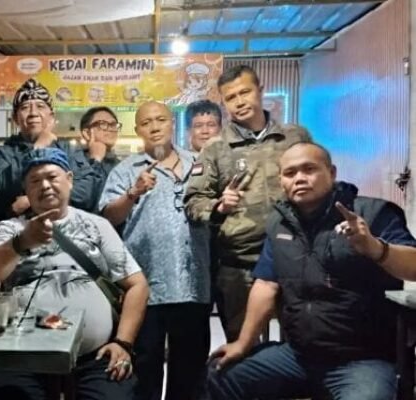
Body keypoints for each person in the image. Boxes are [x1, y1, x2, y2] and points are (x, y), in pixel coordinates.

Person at [207, 142, 416, 400]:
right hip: (298, 356)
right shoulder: (279, 223)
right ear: (281, 180)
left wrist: (375, 248)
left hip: (363, 361)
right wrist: (243, 343)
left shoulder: (372, 213)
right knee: (220, 374)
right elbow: (266, 285)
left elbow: (414, 267)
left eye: (309, 169)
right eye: (290, 173)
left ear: (332, 172)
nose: (299, 178)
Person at [0, 148, 149, 400]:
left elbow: (137, 285)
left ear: (69, 180)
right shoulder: (11, 228)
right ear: (25, 190)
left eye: (52, 177)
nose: (45, 185)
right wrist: (22, 241)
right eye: (35, 181)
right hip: (23, 355)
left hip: (94, 355)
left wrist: (123, 342)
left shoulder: (97, 225)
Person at [184, 64, 311, 342]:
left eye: (245, 92)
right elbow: (193, 201)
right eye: (231, 97)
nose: (239, 102)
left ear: (260, 90)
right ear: (224, 103)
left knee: (301, 343)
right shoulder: (215, 147)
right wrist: (219, 206)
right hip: (240, 265)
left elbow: (319, 181)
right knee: (242, 348)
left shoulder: (294, 137)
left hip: (293, 258)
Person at [99, 101, 210, 400]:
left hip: (193, 283)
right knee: (145, 371)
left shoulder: (199, 163)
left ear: (172, 123)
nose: (155, 126)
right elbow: (109, 217)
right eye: (146, 122)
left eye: (160, 119)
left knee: (190, 372)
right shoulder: (125, 170)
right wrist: (133, 192)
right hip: (146, 287)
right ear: (138, 130)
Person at [0, 78, 100, 232]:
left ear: (51, 116)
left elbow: (86, 193)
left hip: (67, 232)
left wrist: (30, 200)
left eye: (40, 106)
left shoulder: (69, 150)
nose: (33, 113)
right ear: (15, 118)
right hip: (20, 233)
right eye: (25, 107)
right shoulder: (1, 153)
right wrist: (38, 148)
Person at [70, 106, 122, 212]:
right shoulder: (72, 161)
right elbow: (79, 200)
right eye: (102, 124)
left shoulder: (121, 166)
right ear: (86, 133)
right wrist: (96, 160)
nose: (110, 129)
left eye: (113, 124)